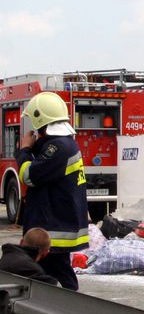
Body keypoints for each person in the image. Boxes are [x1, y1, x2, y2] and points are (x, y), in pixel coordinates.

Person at [15, 92, 89, 290]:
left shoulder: (58, 148)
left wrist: (24, 150)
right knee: (53, 274)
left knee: (57, 278)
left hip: (54, 230)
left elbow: (29, 175)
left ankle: (69, 312)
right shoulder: (63, 144)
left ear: (41, 122)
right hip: (58, 226)